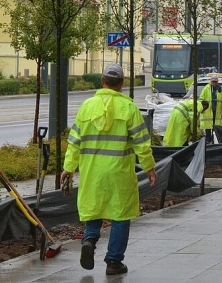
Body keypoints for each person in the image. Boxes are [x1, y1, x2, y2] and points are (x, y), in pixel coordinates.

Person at [60, 64, 157, 276]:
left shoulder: (86, 106)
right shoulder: (129, 108)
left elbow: (74, 141)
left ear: (102, 81)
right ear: (121, 84)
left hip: (92, 171)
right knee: (120, 214)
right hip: (119, 172)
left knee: (94, 207)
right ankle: (114, 262)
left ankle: (90, 239)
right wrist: (149, 167)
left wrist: (68, 168)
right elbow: (142, 143)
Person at [199, 75, 222, 144]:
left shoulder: (221, 90)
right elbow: (201, 99)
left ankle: (217, 141)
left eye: (215, 82)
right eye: (213, 82)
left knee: (217, 128)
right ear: (211, 82)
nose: (214, 83)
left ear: (217, 82)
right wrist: (202, 108)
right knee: (208, 127)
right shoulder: (206, 89)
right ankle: (208, 140)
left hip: (217, 111)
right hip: (208, 112)